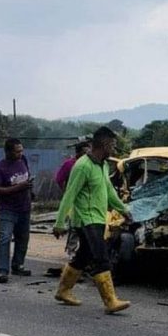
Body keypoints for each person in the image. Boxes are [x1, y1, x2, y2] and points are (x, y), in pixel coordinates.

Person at [52, 127, 132, 314]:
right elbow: (69, 195)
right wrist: (59, 222)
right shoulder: (82, 166)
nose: (114, 148)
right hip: (86, 220)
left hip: (98, 217)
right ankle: (110, 301)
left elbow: (109, 191)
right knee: (100, 257)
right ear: (104, 144)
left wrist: (123, 210)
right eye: (112, 144)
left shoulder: (103, 165)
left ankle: (63, 291)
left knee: (83, 256)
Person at [0, 138, 34, 283]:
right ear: (8, 152)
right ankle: (2, 271)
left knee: (23, 238)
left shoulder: (23, 161)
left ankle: (18, 265)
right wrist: (18, 188)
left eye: (21, 150)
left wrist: (29, 190)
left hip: (24, 208)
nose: (20, 154)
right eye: (17, 151)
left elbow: (27, 178)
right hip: (7, 209)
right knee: (5, 237)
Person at [55, 140, 91, 256]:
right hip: (73, 199)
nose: (87, 154)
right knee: (74, 225)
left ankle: (84, 253)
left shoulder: (90, 164)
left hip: (87, 201)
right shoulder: (70, 164)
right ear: (78, 153)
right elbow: (59, 179)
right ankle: (71, 250)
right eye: (85, 152)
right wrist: (67, 192)